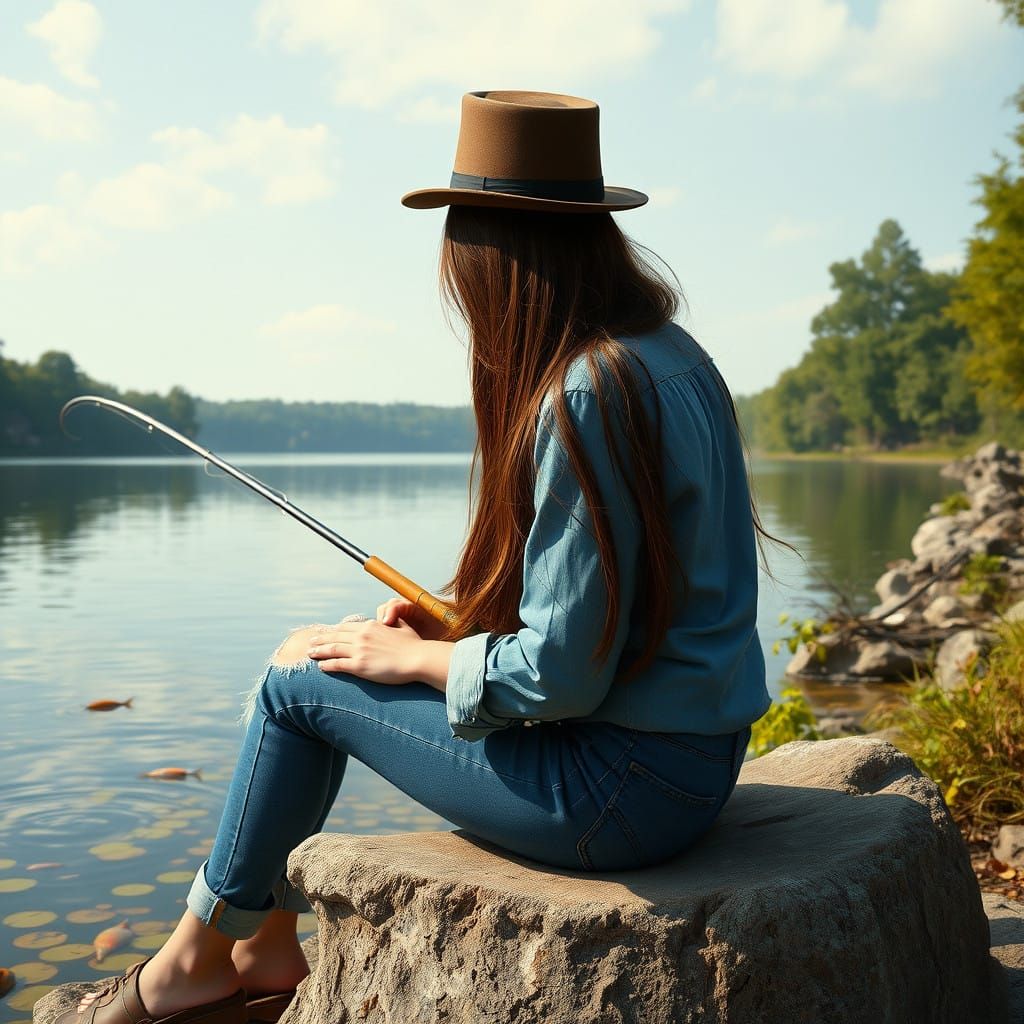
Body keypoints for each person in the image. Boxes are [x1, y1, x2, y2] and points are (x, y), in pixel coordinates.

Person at [61, 90, 774, 1024]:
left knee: (295, 685)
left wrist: (423, 660)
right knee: (327, 668)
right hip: (698, 762)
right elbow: (628, 609)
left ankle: (187, 964)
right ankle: (270, 947)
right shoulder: (672, 355)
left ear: (492, 257)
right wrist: (459, 627)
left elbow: (565, 675)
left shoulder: (582, 393)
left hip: (622, 796)